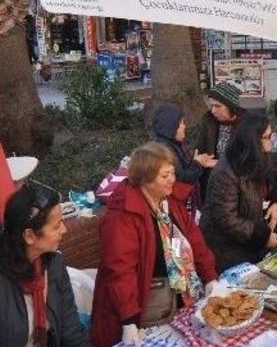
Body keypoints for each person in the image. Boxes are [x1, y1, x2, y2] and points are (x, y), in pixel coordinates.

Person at [91, 143, 218, 346]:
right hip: (141, 307)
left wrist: (210, 276)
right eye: (165, 176)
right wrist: (129, 320)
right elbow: (121, 269)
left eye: (173, 173)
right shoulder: (122, 216)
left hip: (175, 298)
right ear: (145, 179)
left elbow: (195, 240)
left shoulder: (169, 202)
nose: (173, 180)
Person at [0, 184, 89, 347]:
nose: (64, 230)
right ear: (29, 236)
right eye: (56, 226)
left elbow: (71, 332)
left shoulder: (53, 264)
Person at [200, 115, 277, 272]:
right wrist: (263, 236)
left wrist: (275, 203)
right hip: (227, 250)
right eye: (267, 137)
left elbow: (268, 190)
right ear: (254, 140)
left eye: (272, 135)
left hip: (250, 245)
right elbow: (226, 218)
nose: (272, 140)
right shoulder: (226, 172)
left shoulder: (261, 159)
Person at [194, 83, 245, 200]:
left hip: (238, 188)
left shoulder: (247, 125)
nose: (213, 111)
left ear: (231, 106)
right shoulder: (208, 122)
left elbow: (250, 161)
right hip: (212, 185)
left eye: (217, 106)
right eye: (211, 106)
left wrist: (219, 164)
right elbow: (200, 149)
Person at [152, 103, 216, 191]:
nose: (184, 127)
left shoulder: (170, 144)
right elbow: (183, 178)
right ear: (171, 127)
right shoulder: (165, 151)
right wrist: (198, 163)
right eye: (181, 123)